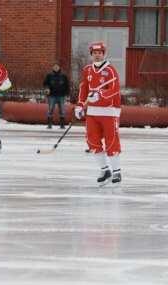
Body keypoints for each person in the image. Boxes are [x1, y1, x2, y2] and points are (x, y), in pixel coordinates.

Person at [75, 41, 122, 185]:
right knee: (92, 141)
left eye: (100, 53)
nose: (97, 55)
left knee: (111, 141)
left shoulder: (111, 70)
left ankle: (116, 172)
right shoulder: (87, 70)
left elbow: (115, 89)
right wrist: (80, 105)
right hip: (92, 112)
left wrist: (101, 94)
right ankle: (104, 169)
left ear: (104, 54)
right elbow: (84, 89)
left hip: (109, 112)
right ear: (91, 54)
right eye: (95, 53)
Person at [43, 62, 70, 129]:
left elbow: (67, 85)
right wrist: (47, 89)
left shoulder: (63, 76)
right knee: (50, 109)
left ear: (59, 67)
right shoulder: (49, 76)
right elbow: (45, 83)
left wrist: (67, 93)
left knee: (62, 110)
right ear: (52, 68)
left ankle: (62, 125)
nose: (56, 68)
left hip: (61, 96)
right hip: (52, 96)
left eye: (57, 67)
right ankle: (49, 124)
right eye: (54, 67)